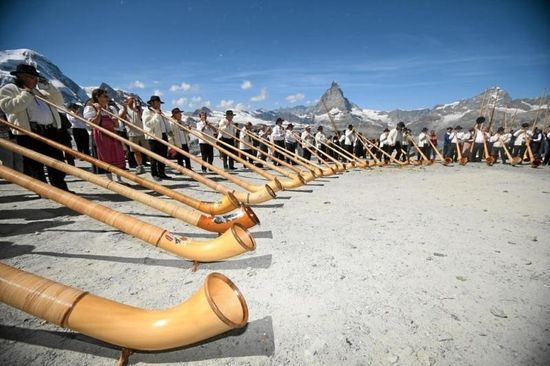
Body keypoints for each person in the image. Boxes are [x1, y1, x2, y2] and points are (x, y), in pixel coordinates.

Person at [0, 64, 70, 191]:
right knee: (34, 164)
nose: (36, 80)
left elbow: (59, 103)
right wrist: (26, 93)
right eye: (33, 77)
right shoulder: (9, 89)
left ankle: (60, 188)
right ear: (22, 77)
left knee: (57, 161)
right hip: (29, 133)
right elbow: (9, 107)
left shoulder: (40, 91)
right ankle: (42, 190)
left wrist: (50, 88)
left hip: (50, 130)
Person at [83, 88, 126, 182]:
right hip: (101, 136)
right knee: (107, 156)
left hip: (112, 134)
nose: (107, 98)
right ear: (97, 97)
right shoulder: (90, 108)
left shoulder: (110, 108)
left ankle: (119, 179)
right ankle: (110, 180)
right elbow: (93, 124)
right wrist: (98, 111)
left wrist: (124, 110)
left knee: (117, 155)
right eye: (105, 96)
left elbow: (116, 124)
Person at [142, 95, 172, 181]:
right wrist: (157, 115)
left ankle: (162, 173)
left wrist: (168, 130)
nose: (159, 104)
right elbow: (148, 124)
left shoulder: (159, 111)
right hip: (153, 137)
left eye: (159, 102)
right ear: (152, 103)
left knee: (163, 155)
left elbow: (164, 122)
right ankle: (154, 173)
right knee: (154, 156)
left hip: (163, 135)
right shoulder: (146, 111)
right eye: (157, 102)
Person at [119, 96, 148, 174]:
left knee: (148, 150)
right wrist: (125, 109)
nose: (133, 100)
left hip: (142, 132)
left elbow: (143, 118)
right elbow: (121, 118)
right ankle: (140, 166)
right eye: (131, 99)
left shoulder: (139, 109)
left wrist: (137, 109)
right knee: (136, 151)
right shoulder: (124, 109)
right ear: (128, 100)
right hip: (132, 133)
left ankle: (154, 165)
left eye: (134, 99)